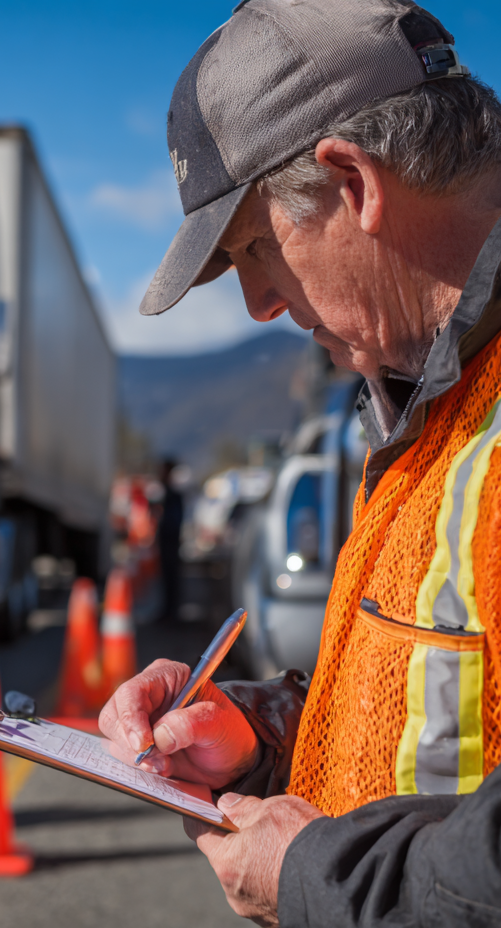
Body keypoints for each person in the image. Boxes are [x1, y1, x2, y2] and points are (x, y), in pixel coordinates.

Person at [100, 1, 501, 925]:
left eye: (252, 248)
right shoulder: (432, 398)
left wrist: (316, 877)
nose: (257, 305)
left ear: (353, 181)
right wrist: (264, 731)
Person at [156, 459, 183, 623]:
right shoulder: (168, 493)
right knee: (168, 578)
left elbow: (173, 521)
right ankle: (169, 610)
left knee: (171, 577)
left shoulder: (173, 494)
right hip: (168, 541)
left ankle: (171, 612)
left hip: (170, 542)